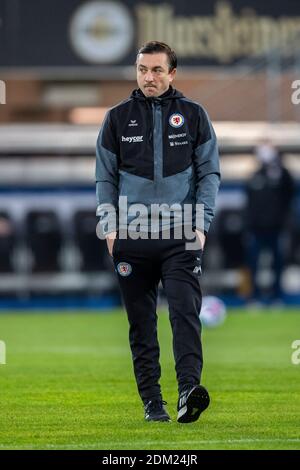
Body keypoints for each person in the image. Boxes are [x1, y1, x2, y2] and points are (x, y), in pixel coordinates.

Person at [95, 41, 220, 423]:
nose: (149, 77)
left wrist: (201, 225)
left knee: (185, 313)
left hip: (181, 233)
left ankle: (187, 392)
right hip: (131, 236)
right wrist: (110, 230)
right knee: (141, 323)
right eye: (142, 70)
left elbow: (209, 174)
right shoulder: (117, 118)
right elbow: (105, 177)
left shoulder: (194, 115)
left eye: (157, 70)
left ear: (172, 74)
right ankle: (153, 402)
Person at [245, 140, 294, 304]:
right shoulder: (255, 175)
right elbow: (249, 202)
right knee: (254, 263)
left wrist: (278, 164)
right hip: (256, 228)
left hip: (277, 228)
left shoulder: (281, 174)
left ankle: (277, 296)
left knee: (278, 263)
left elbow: (289, 193)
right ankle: (255, 296)